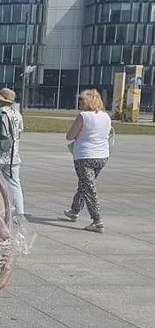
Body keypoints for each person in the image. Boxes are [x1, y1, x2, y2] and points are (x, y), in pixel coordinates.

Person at [64, 89, 112, 233]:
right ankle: (75, 210)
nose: (79, 102)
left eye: (82, 99)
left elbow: (70, 136)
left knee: (89, 188)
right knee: (86, 184)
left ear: (91, 101)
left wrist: (78, 134)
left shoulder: (83, 116)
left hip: (85, 156)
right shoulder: (106, 116)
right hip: (102, 156)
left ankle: (97, 220)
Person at [0, 87, 25, 217]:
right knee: (15, 183)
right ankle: (20, 211)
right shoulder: (18, 114)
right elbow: (20, 132)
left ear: (3, 101)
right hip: (14, 154)